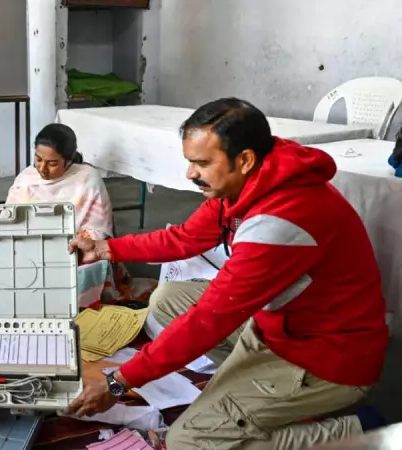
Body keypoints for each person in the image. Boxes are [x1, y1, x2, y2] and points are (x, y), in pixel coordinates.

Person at [65, 98, 389, 449]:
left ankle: (358, 433)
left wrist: (118, 383)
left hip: (326, 358)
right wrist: (107, 249)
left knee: (188, 442)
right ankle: (249, 402)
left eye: (201, 163)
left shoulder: (282, 220)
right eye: (190, 161)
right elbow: (187, 237)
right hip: (279, 326)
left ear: (245, 159)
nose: (190, 173)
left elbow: (209, 321)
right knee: (168, 299)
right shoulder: (251, 181)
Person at [6, 124, 150, 307]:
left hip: (75, 248)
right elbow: (9, 221)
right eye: (38, 159)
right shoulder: (26, 179)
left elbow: (98, 229)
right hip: (31, 247)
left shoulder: (87, 178)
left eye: (52, 163)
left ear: (68, 160)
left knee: (87, 268)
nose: (42, 168)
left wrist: (65, 248)